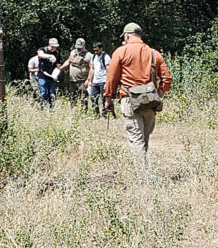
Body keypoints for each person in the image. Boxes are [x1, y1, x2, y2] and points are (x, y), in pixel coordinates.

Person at [104, 22, 172, 161]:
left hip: (129, 101)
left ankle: (141, 177)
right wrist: (159, 95)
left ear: (127, 36)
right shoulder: (154, 53)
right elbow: (167, 78)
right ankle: (143, 169)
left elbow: (111, 78)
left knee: (136, 139)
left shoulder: (121, 52)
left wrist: (108, 98)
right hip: (150, 102)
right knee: (144, 138)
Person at [85, 41, 111, 117]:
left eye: (97, 50)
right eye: (94, 50)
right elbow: (92, 69)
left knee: (103, 99)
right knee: (93, 98)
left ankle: (104, 115)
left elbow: (108, 69)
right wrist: (89, 80)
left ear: (101, 49)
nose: (95, 52)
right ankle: (96, 114)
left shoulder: (106, 57)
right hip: (95, 81)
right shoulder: (94, 57)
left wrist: (108, 81)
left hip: (103, 80)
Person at [36, 38, 64, 109]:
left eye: (55, 47)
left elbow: (58, 66)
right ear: (49, 45)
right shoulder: (43, 49)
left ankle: (52, 110)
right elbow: (40, 54)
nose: (54, 48)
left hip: (52, 77)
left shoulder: (57, 53)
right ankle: (41, 109)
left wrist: (56, 75)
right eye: (52, 46)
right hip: (42, 76)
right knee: (43, 93)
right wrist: (50, 56)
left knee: (52, 94)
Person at [64, 37, 93, 105]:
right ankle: (73, 111)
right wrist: (59, 69)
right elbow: (68, 61)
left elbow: (92, 68)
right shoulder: (73, 52)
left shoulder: (89, 55)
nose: (78, 49)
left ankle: (84, 112)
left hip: (82, 81)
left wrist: (89, 80)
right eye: (77, 47)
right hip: (73, 80)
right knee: (72, 98)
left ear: (84, 46)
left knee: (83, 99)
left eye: (80, 47)